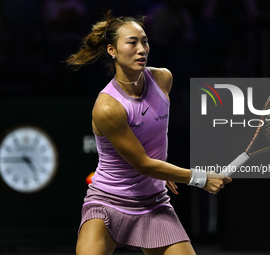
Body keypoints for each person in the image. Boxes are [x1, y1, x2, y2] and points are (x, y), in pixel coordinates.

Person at [66, 11, 232, 255]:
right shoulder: (108, 107)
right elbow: (142, 164)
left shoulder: (163, 79)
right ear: (112, 50)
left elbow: (151, 139)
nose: (141, 49)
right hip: (107, 203)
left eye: (144, 41)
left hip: (153, 204)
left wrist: (162, 171)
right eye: (132, 42)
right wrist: (200, 178)